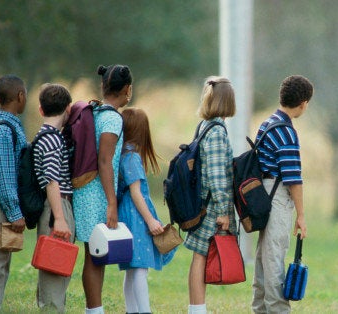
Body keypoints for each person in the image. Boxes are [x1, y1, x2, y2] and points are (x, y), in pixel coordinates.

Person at [73, 64, 132, 314]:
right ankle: (94, 310)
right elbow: (105, 160)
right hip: (96, 194)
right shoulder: (112, 118)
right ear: (127, 90)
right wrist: (111, 202)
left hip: (85, 190)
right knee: (96, 255)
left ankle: (94, 309)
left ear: (103, 86)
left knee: (94, 253)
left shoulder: (96, 111)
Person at [252, 75, 312, 314]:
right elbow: (293, 179)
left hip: (262, 195)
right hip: (277, 197)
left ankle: (260, 309)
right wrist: (301, 215)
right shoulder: (287, 132)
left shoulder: (267, 123)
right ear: (304, 103)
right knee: (274, 258)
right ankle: (277, 310)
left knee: (263, 259)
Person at [185, 76, 237, 314]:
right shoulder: (216, 130)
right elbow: (217, 175)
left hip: (203, 202)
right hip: (211, 207)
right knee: (201, 256)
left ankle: (197, 308)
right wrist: (225, 211)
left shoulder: (205, 125)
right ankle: (197, 309)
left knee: (200, 255)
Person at [117, 107, 176, 314]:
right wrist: (151, 220)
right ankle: (144, 311)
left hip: (128, 213)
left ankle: (131, 310)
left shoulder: (122, 154)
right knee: (140, 267)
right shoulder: (132, 157)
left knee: (132, 268)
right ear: (142, 131)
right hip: (136, 216)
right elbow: (136, 193)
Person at [33, 83, 75, 313]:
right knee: (54, 270)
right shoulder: (51, 140)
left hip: (57, 205)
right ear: (68, 109)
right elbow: (51, 180)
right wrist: (59, 218)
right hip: (56, 207)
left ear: (41, 109)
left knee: (57, 270)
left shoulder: (51, 137)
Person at [0, 75, 27, 311]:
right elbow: (3, 176)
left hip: (3, 207)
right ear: (20, 96)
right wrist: (14, 212)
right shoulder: (4, 132)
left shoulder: (8, 126)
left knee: (1, 263)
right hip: (1, 208)